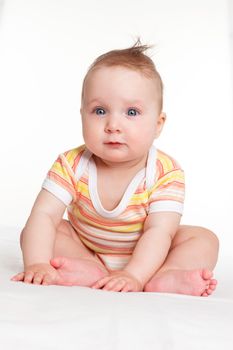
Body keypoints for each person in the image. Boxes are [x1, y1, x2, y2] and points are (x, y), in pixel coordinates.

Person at [11, 40, 219, 296]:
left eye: (131, 112)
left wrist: (134, 275)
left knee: (203, 240)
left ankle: (164, 276)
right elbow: (44, 214)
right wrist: (37, 263)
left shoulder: (165, 172)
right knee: (43, 231)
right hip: (88, 249)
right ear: (82, 116)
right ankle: (89, 269)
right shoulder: (71, 164)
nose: (113, 125)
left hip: (150, 258)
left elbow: (159, 231)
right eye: (99, 111)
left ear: (158, 124)